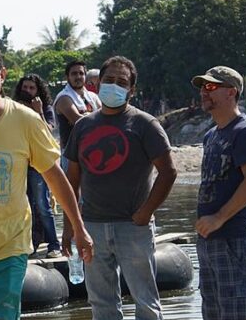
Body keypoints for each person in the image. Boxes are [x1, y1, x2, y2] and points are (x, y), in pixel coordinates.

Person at [0, 40, 93, 320]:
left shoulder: (25, 120)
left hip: (6, 247)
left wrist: (78, 227)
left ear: (2, 76)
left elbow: (54, 177)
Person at [62, 55, 177, 320]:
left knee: (146, 302)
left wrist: (146, 212)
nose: (114, 85)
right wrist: (71, 225)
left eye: (121, 82)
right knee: (102, 303)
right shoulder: (83, 126)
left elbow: (168, 172)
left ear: (131, 90)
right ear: (98, 83)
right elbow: (72, 178)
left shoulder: (145, 124)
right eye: (109, 80)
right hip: (92, 227)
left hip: (133, 227)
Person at [192, 66, 246, 320]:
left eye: (211, 87)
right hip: (209, 241)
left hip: (236, 241)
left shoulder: (245, 131)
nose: (204, 92)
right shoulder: (212, 135)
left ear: (231, 92)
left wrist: (219, 218)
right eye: (202, 87)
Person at [12, 74, 62, 258]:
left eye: (32, 88)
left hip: (38, 164)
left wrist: (38, 111)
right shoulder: (14, 108)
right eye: (25, 87)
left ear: (38, 91)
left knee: (42, 204)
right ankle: (29, 244)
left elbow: (48, 132)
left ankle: (53, 245)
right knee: (23, 205)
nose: (28, 91)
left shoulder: (45, 108)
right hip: (18, 162)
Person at [54, 60, 101, 170]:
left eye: (81, 73)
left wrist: (87, 115)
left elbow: (105, 116)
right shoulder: (64, 98)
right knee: (72, 187)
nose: (78, 76)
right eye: (74, 74)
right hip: (72, 156)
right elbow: (79, 121)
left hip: (93, 151)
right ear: (67, 77)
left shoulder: (92, 97)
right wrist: (96, 116)